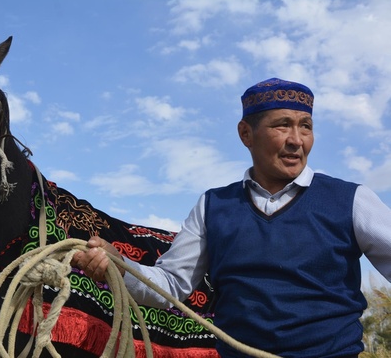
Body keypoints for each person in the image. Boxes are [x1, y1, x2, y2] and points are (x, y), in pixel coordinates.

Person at [71, 77, 391, 358]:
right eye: (282, 125)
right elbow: (170, 285)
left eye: (305, 126)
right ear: (245, 134)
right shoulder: (213, 206)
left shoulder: (351, 199)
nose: (297, 139)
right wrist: (119, 266)